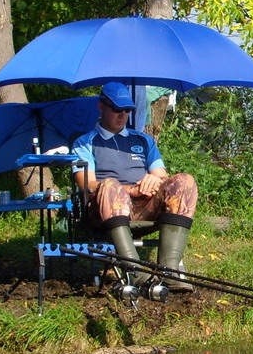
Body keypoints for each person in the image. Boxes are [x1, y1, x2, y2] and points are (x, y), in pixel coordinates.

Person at [71, 81, 197, 291]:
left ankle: (169, 270)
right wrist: (129, 190)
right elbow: (87, 184)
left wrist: (154, 180)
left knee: (184, 181)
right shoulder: (84, 142)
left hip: (145, 206)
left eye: (127, 110)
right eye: (117, 109)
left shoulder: (144, 140)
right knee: (110, 186)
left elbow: (161, 174)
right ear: (101, 106)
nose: (123, 115)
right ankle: (135, 271)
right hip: (106, 209)